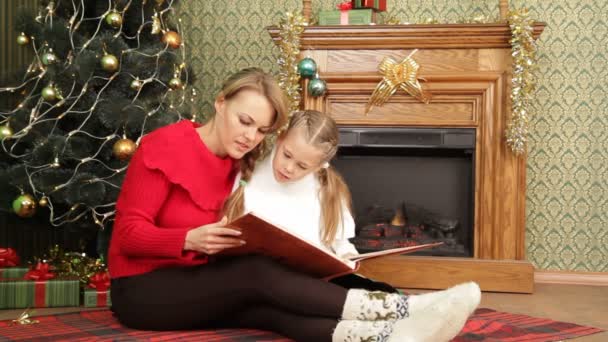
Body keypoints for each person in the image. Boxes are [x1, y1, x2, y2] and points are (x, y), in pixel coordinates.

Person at [109, 67, 481, 342]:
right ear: (220, 103)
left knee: (269, 311)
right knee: (254, 272)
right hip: (142, 292)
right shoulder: (164, 146)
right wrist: (189, 239)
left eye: (261, 131)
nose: (250, 137)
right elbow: (127, 235)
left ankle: (392, 337)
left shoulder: (242, 164)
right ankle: (404, 308)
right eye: (244, 121)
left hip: (198, 284)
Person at [225, 109, 398, 293]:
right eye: (287, 155)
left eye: (302, 166)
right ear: (280, 138)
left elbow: (341, 246)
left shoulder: (328, 191)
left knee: (379, 290)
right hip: (261, 279)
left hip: (313, 280)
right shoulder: (248, 176)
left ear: (319, 167)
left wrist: (347, 258)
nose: (289, 168)